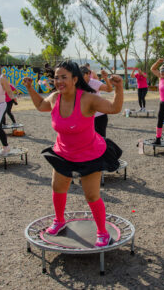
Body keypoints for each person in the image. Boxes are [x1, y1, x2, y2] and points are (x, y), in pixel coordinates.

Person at [23, 60, 123, 247]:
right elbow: (41, 105)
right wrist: (29, 88)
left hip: (89, 153)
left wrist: (119, 89)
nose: (59, 81)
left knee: (91, 196)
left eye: (64, 77)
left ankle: (102, 232)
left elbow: (114, 109)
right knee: (58, 187)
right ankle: (59, 221)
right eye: (56, 78)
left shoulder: (87, 98)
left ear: (75, 79)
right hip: (64, 152)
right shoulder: (54, 98)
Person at [80, 66, 113, 137]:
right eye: (79, 74)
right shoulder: (77, 84)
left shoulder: (94, 83)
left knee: (101, 140)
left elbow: (109, 89)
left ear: (88, 73)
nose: (80, 77)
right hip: (85, 118)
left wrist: (106, 79)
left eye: (82, 74)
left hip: (99, 117)